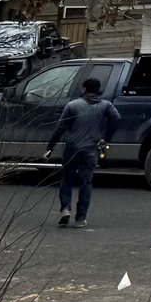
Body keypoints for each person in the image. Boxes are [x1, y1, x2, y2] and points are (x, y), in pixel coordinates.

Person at [44, 76, 120, 227]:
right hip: (91, 148)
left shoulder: (73, 106)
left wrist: (50, 147)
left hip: (72, 147)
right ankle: (81, 218)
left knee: (67, 178)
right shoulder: (106, 105)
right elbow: (117, 118)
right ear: (98, 90)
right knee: (86, 181)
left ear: (84, 89)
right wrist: (106, 138)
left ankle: (65, 208)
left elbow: (60, 127)